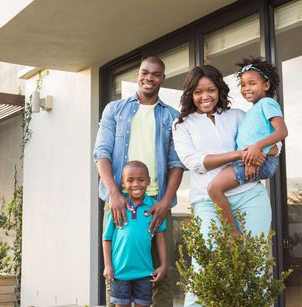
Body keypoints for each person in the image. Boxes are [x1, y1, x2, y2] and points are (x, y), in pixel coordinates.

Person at [171, 64, 273, 307]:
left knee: (254, 264)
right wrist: (239, 155)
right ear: (190, 94)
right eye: (198, 92)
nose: (205, 96)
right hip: (208, 203)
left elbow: (266, 143)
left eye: (211, 90)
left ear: (219, 91)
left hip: (250, 196)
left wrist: (262, 151)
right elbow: (195, 163)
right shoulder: (182, 125)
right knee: (205, 264)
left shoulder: (238, 115)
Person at [93, 56, 184, 307]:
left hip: (157, 204)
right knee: (116, 274)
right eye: (145, 72)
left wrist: (166, 202)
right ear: (137, 75)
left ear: (162, 79)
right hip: (119, 202)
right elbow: (101, 153)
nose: (149, 77)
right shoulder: (115, 110)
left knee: (161, 275)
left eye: (156, 74)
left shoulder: (172, 116)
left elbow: (177, 163)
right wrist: (114, 193)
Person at [207, 57, 288, 238]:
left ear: (266, 85)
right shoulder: (252, 110)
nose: (247, 89)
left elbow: (282, 132)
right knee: (216, 187)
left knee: (214, 188)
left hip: (263, 161)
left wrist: (257, 149)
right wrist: (252, 154)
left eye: (252, 83)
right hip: (252, 160)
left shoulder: (268, 104)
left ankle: (232, 233)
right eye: (243, 85)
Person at [103, 160, 168, 307]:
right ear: (123, 183)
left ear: (149, 181)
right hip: (120, 273)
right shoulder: (117, 207)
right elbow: (106, 238)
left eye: (141, 179)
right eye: (130, 180)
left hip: (145, 273)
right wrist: (108, 265)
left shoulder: (155, 208)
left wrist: (164, 265)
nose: (136, 184)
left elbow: (160, 237)